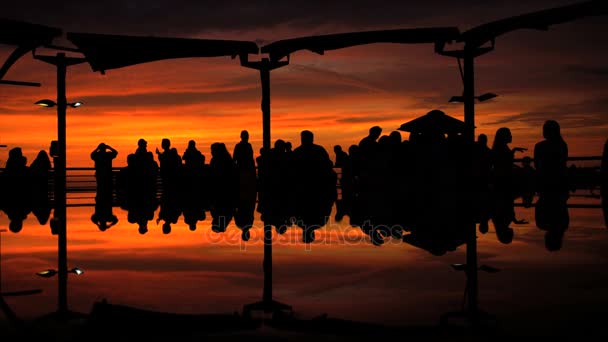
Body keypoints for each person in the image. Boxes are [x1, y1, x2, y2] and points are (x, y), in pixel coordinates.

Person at [534, 120, 569, 250]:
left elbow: (538, 168)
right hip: (559, 186)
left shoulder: (540, 147)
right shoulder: (562, 145)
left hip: (545, 186)